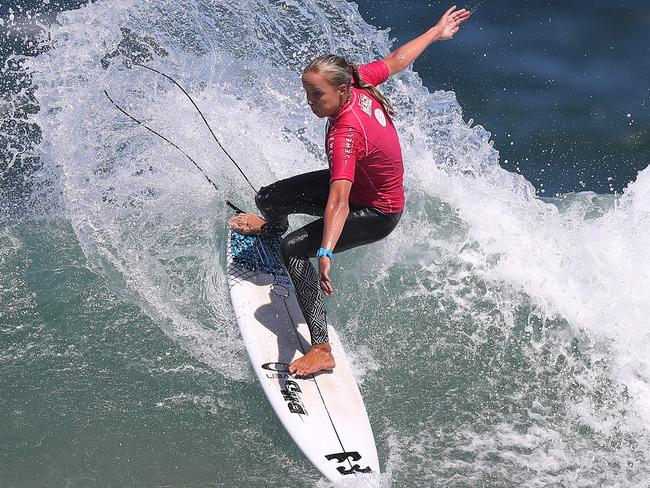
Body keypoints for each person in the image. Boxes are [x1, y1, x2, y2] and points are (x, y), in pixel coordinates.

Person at [230, 6, 471, 376]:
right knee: (269, 198)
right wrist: (436, 32)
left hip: (377, 212)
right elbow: (396, 60)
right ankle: (271, 225)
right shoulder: (357, 81)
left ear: (341, 90)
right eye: (307, 94)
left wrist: (325, 251)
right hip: (358, 188)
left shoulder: (345, 134)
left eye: (316, 95)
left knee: (295, 249)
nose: (310, 102)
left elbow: (338, 203)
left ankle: (321, 348)